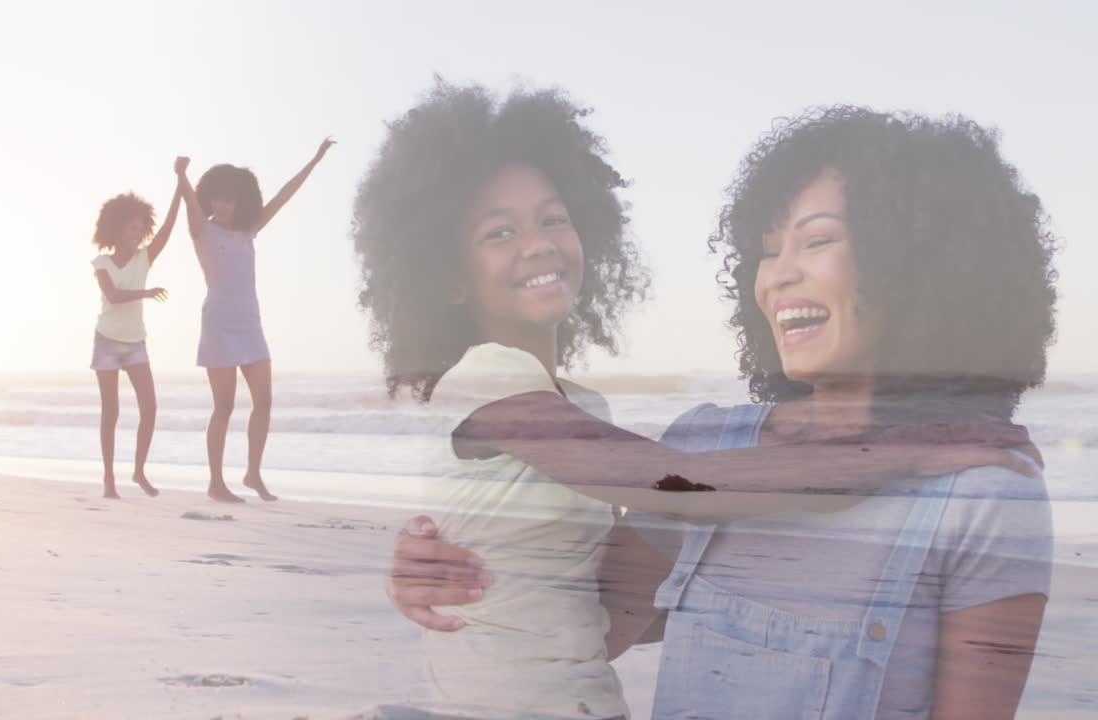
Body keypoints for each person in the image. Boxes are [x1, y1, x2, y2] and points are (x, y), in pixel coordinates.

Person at [357, 83, 1040, 719]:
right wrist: (436, 572)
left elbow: (579, 610)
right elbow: (607, 585)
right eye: (768, 250)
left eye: (819, 239)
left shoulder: (981, 488)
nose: (778, 275)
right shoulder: (704, 444)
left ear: (918, 259)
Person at [174, 141, 334, 503]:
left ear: (241, 201)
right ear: (210, 198)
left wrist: (315, 159)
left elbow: (282, 197)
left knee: (264, 400)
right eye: (218, 198)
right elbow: (189, 203)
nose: (223, 206)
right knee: (225, 406)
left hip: (250, 324)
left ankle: (252, 473)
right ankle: (216, 482)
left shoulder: (248, 231)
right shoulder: (203, 230)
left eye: (230, 200)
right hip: (218, 323)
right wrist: (182, 175)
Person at [89, 176, 179, 499]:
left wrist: (181, 186)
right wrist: (147, 292)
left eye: (141, 229)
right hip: (108, 341)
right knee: (110, 411)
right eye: (132, 228)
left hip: (134, 342)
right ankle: (109, 479)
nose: (138, 234)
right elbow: (112, 296)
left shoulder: (144, 258)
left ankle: (139, 470)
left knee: (150, 407)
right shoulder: (102, 264)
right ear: (116, 231)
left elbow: (168, 229)